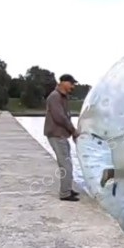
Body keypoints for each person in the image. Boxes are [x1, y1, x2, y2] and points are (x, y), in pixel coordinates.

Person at [44, 74, 80, 202]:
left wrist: (71, 132)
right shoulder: (55, 97)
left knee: (68, 163)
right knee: (66, 165)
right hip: (56, 135)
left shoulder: (62, 97)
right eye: (71, 83)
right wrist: (73, 131)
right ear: (64, 82)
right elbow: (60, 118)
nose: (73, 86)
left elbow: (66, 116)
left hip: (62, 135)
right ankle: (65, 193)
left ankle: (68, 188)